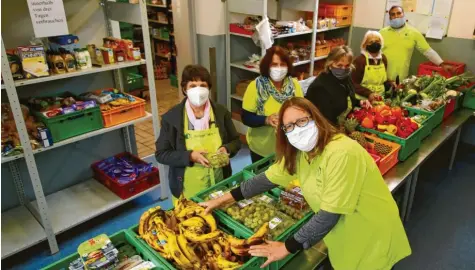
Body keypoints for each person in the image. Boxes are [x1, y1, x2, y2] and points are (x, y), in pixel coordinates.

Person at [201, 97, 411, 270]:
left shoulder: (341, 153)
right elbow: (266, 179)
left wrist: (287, 246)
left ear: (316, 118)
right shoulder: (301, 153)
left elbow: (329, 214)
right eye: (289, 126)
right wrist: (223, 199)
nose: (297, 130)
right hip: (343, 234)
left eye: (302, 121)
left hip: (369, 233)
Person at [155, 65, 241, 200]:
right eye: (193, 85)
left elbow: (236, 141)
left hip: (219, 184)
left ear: (208, 88)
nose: (198, 90)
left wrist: (227, 148)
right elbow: (161, 154)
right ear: (185, 89)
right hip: (187, 188)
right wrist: (189, 156)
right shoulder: (172, 118)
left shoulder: (220, 112)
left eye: (202, 85)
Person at [241, 46, 304, 163]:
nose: (279, 68)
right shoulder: (256, 86)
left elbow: (303, 110)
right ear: (267, 67)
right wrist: (266, 120)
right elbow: (246, 118)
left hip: (289, 145)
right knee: (263, 179)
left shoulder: (294, 85)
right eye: (274, 65)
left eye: (283, 64)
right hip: (262, 148)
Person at [381, 5, 453, 81]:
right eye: (393, 14)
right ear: (389, 17)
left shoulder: (414, 33)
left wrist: (441, 64)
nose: (396, 16)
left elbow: (427, 51)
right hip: (381, 75)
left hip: (400, 76)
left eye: (399, 13)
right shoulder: (382, 33)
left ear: (403, 15)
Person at [305, 46, 370, 127]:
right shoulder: (320, 88)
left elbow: (347, 97)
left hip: (344, 123)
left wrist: (360, 102)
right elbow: (324, 119)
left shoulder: (346, 77)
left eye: (347, 65)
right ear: (330, 64)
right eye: (339, 65)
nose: (343, 69)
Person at [352, 30, 394, 101]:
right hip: (363, 99)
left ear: (381, 43)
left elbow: (383, 80)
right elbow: (353, 84)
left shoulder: (383, 59)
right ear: (365, 44)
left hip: (380, 98)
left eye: (377, 41)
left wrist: (391, 84)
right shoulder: (360, 60)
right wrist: (369, 93)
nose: (375, 44)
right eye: (371, 42)